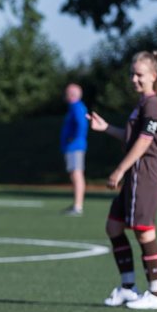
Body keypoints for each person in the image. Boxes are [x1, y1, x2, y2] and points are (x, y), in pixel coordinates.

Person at [87, 50, 157, 310]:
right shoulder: (143, 102)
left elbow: (144, 142)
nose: (133, 79)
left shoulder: (153, 103)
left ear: (154, 76)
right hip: (137, 172)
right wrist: (106, 129)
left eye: (139, 75)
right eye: (132, 74)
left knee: (143, 231)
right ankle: (128, 288)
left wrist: (119, 170)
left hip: (146, 172)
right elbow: (133, 137)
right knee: (114, 227)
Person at [60, 82, 88, 215]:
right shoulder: (73, 107)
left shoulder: (77, 107)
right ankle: (76, 204)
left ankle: (78, 206)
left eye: (67, 93)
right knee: (74, 175)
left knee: (77, 175)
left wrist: (73, 137)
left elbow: (81, 124)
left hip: (75, 147)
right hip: (72, 147)